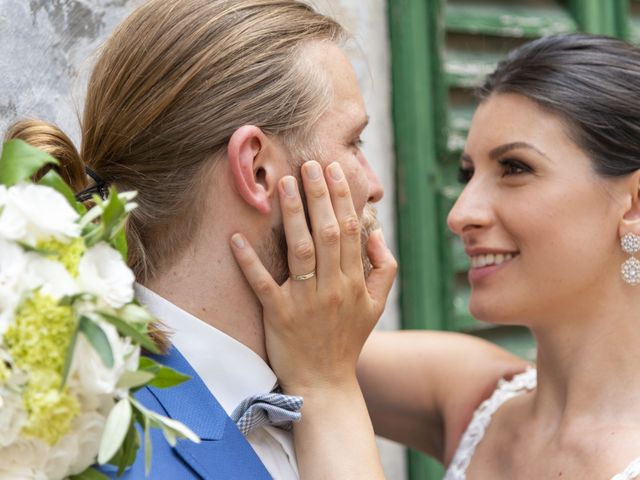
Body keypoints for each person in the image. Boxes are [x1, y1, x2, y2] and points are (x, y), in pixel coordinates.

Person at [5, 0, 526, 478]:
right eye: (353, 141)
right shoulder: (92, 434)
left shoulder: (304, 376)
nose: (375, 185)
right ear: (256, 171)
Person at [234, 32, 640, 480]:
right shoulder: (472, 390)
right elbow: (289, 337)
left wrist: (327, 390)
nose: (460, 214)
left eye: (515, 168)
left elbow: (321, 367)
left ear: (634, 204)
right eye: (467, 173)